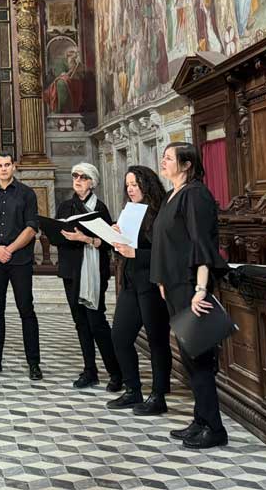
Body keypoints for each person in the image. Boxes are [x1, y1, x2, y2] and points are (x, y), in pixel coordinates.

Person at [150, 142, 230, 449]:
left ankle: (215, 428)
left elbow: (201, 244)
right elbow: (169, 243)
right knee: (188, 355)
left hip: (190, 285)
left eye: (169, 158)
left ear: (186, 165)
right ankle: (201, 420)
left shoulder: (195, 195)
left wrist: (200, 289)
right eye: (164, 157)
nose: (164, 161)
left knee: (198, 357)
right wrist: (162, 279)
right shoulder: (173, 194)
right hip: (174, 284)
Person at [110, 166, 173, 415]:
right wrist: (115, 236)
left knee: (157, 340)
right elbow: (126, 246)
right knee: (120, 336)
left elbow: (166, 252)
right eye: (127, 185)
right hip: (130, 282)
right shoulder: (129, 211)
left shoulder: (160, 214)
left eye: (135, 184)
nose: (130, 189)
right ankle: (132, 389)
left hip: (152, 283)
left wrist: (135, 252)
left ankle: (158, 396)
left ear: (147, 185)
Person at [53, 163, 122, 391]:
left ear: (92, 182)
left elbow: (110, 242)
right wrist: (59, 234)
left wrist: (85, 239)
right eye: (75, 176)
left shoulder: (100, 209)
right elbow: (56, 236)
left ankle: (116, 373)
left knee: (97, 322)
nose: (78, 180)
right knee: (80, 323)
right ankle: (90, 371)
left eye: (83, 177)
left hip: (94, 273)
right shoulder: (65, 206)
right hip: (71, 271)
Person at [0, 151, 42, 380]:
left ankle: (34, 363)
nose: (3, 169)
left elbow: (31, 227)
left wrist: (9, 249)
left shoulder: (27, 193)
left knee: (26, 309)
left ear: (14, 166)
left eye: (7, 164)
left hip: (20, 260)